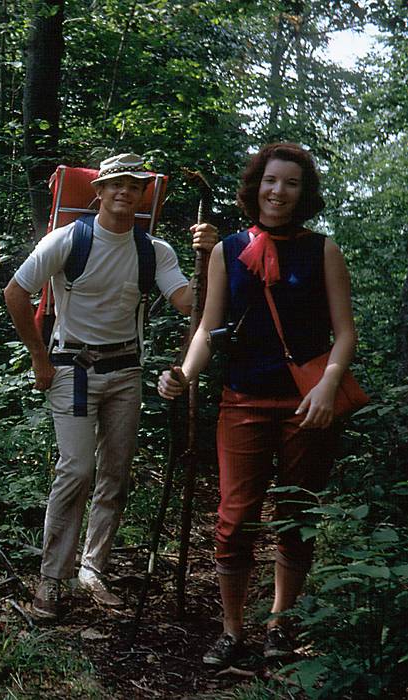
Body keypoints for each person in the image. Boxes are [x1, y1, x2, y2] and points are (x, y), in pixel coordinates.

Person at [158, 142, 356, 666]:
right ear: (256, 186)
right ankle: (231, 630)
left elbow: (344, 333)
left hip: (307, 406)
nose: (279, 191)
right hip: (242, 399)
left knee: (294, 515)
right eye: (271, 180)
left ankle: (279, 626)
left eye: (291, 183)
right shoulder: (228, 250)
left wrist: (328, 386)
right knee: (233, 518)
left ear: (303, 193)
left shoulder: (323, 251)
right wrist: (184, 373)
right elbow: (208, 326)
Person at [4, 153, 217, 620]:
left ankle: (92, 568)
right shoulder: (66, 241)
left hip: (125, 374)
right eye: (115, 184)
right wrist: (39, 358)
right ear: (98, 191)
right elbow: (15, 292)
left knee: (116, 475)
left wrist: (211, 259)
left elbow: (188, 304)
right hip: (73, 371)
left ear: (143, 196)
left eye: (133, 186)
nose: (124, 192)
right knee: (77, 470)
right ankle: (51, 578)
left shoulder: (154, 251)